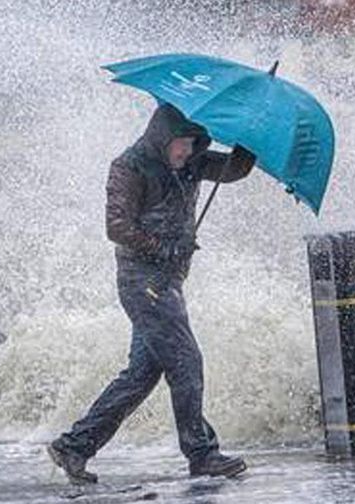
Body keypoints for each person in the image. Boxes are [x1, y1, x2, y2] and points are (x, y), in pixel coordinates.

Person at [47, 104, 256, 484]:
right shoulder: (129, 166)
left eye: (194, 144)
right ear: (163, 137)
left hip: (168, 283)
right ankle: (202, 453)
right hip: (142, 282)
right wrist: (163, 248)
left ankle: (74, 446)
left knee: (141, 374)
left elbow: (234, 170)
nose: (187, 152)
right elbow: (116, 227)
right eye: (181, 143)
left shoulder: (191, 161)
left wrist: (250, 138)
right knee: (186, 361)